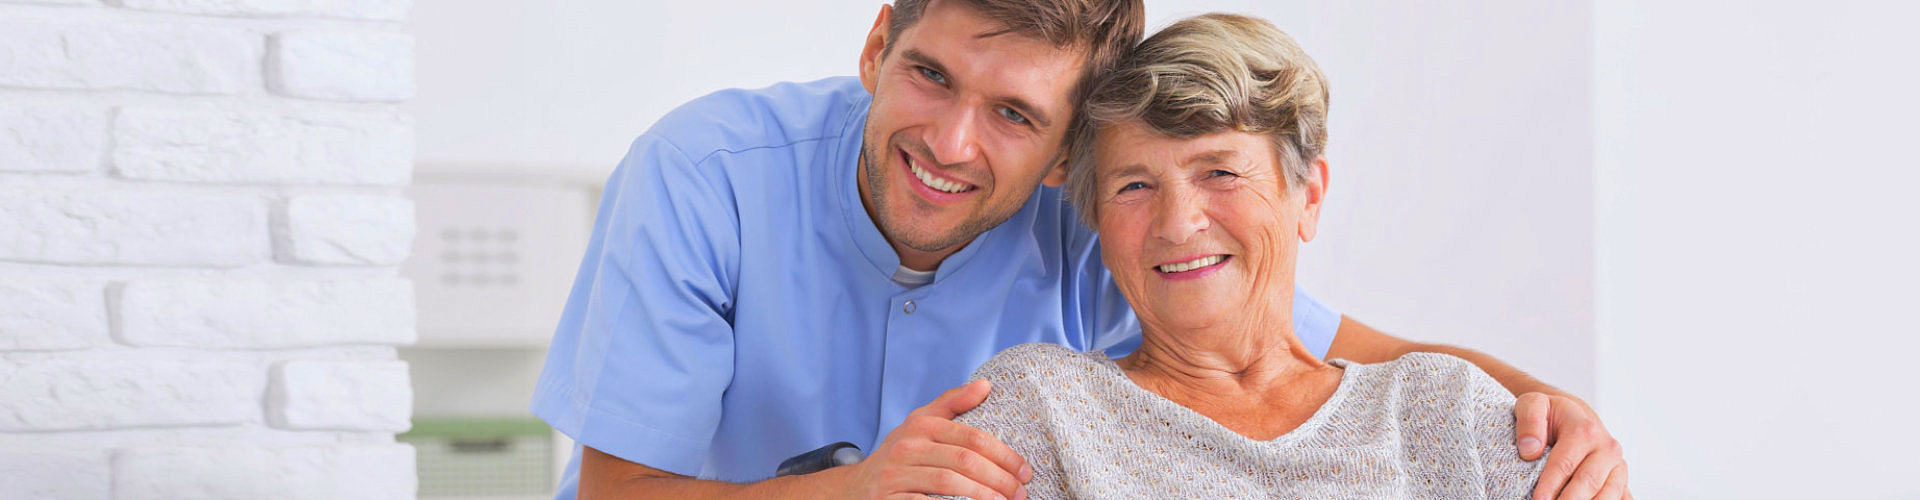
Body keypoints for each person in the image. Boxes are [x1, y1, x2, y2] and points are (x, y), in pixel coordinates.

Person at [531, 0, 1626, 499]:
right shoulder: (704, 174)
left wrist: (1557, 414)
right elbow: (618, 492)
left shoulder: (1110, 219)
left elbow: (1316, 351)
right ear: (877, 44)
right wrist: (858, 491)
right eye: (930, 76)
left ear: (1066, 151)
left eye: (1015, 113)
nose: (951, 143)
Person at [954, 13, 1564, 498]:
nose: (1178, 222)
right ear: (1096, 222)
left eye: (1220, 172)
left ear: (1309, 196)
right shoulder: (1036, 411)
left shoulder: (1445, 409)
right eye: (1134, 185)